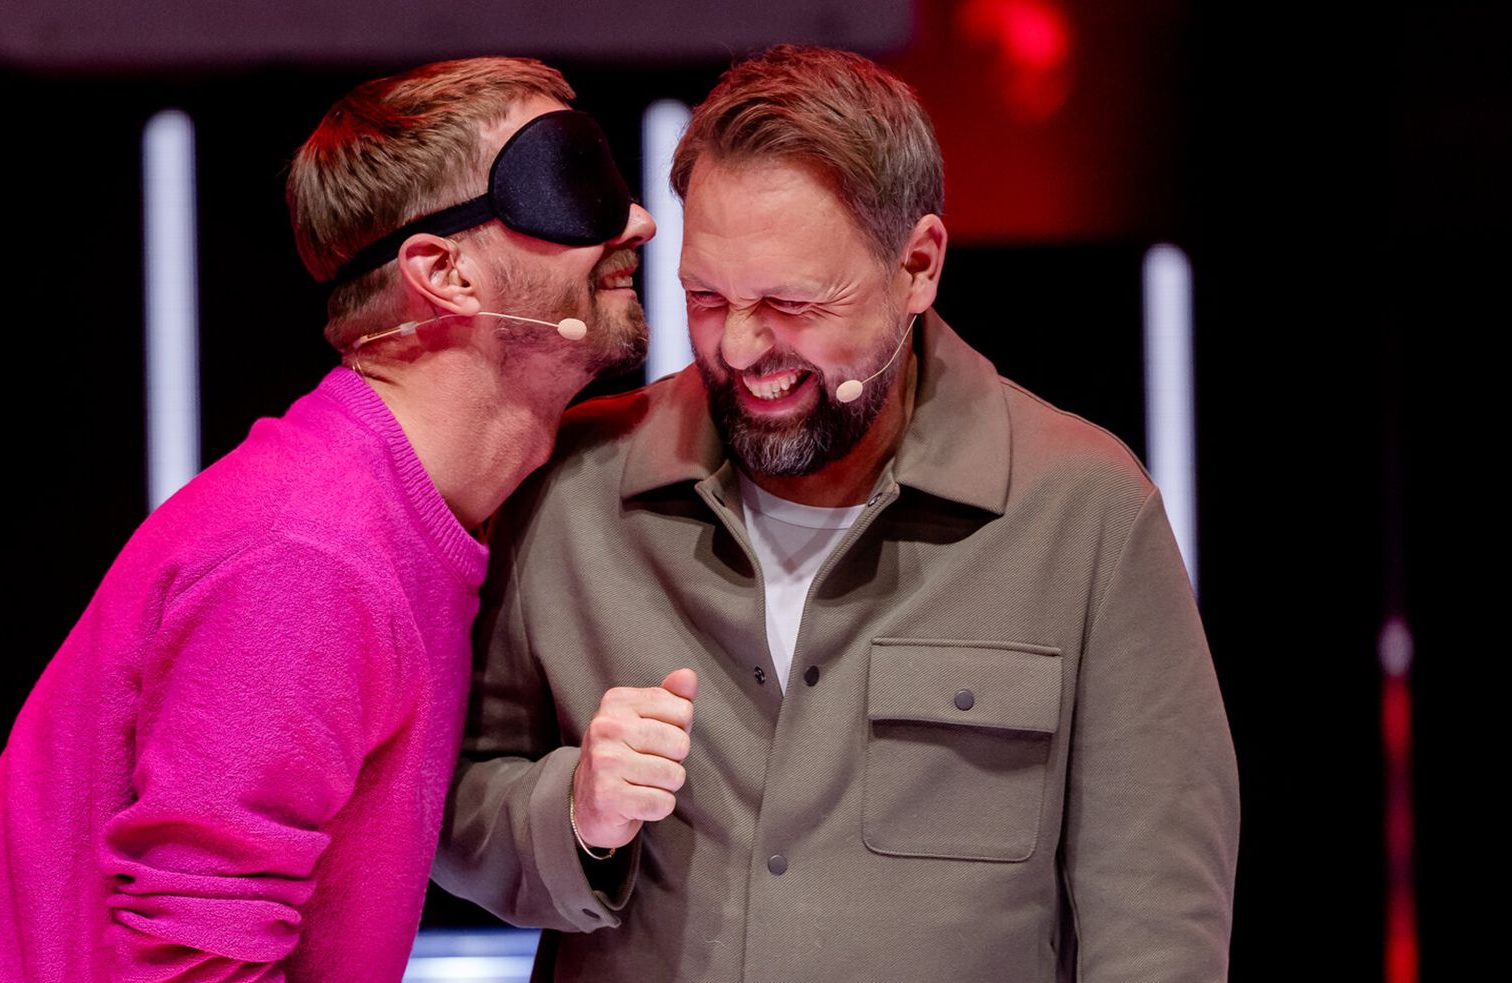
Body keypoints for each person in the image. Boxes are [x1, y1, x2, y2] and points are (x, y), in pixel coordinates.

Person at [434, 45, 1239, 982]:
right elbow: (448, 806)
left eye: (793, 302)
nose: (743, 347)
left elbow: (1157, 924)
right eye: (707, 297)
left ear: (918, 266)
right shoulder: (569, 487)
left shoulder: (1084, 510)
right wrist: (573, 811)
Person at [0, 56, 654, 981]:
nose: (638, 220)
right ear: (444, 271)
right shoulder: (314, 551)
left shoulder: (403, 517)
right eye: (572, 185)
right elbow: (189, 963)